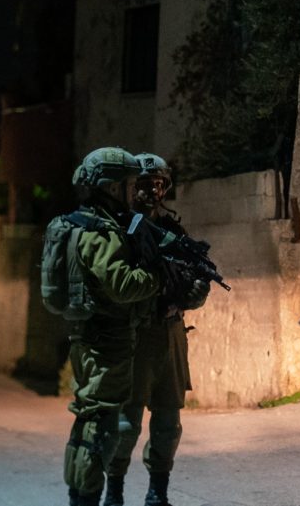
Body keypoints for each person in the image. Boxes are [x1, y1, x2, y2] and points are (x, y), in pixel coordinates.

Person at [103, 153, 209, 506]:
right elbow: (113, 282)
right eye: (145, 183)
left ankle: (157, 492)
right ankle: (114, 491)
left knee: (168, 422)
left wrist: (192, 292)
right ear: (130, 187)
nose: (153, 191)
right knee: (126, 423)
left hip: (170, 332)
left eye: (160, 184)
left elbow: (194, 277)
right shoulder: (119, 229)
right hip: (135, 335)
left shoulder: (172, 231)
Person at [60, 147, 162, 506]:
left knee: (87, 418)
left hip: (87, 336)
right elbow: (123, 285)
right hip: (106, 343)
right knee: (101, 425)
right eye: (128, 184)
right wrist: (156, 276)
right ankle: (86, 497)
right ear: (112, 187)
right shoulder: (101, 231)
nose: (134, 191)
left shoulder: (77, 223)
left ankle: (78, 495)